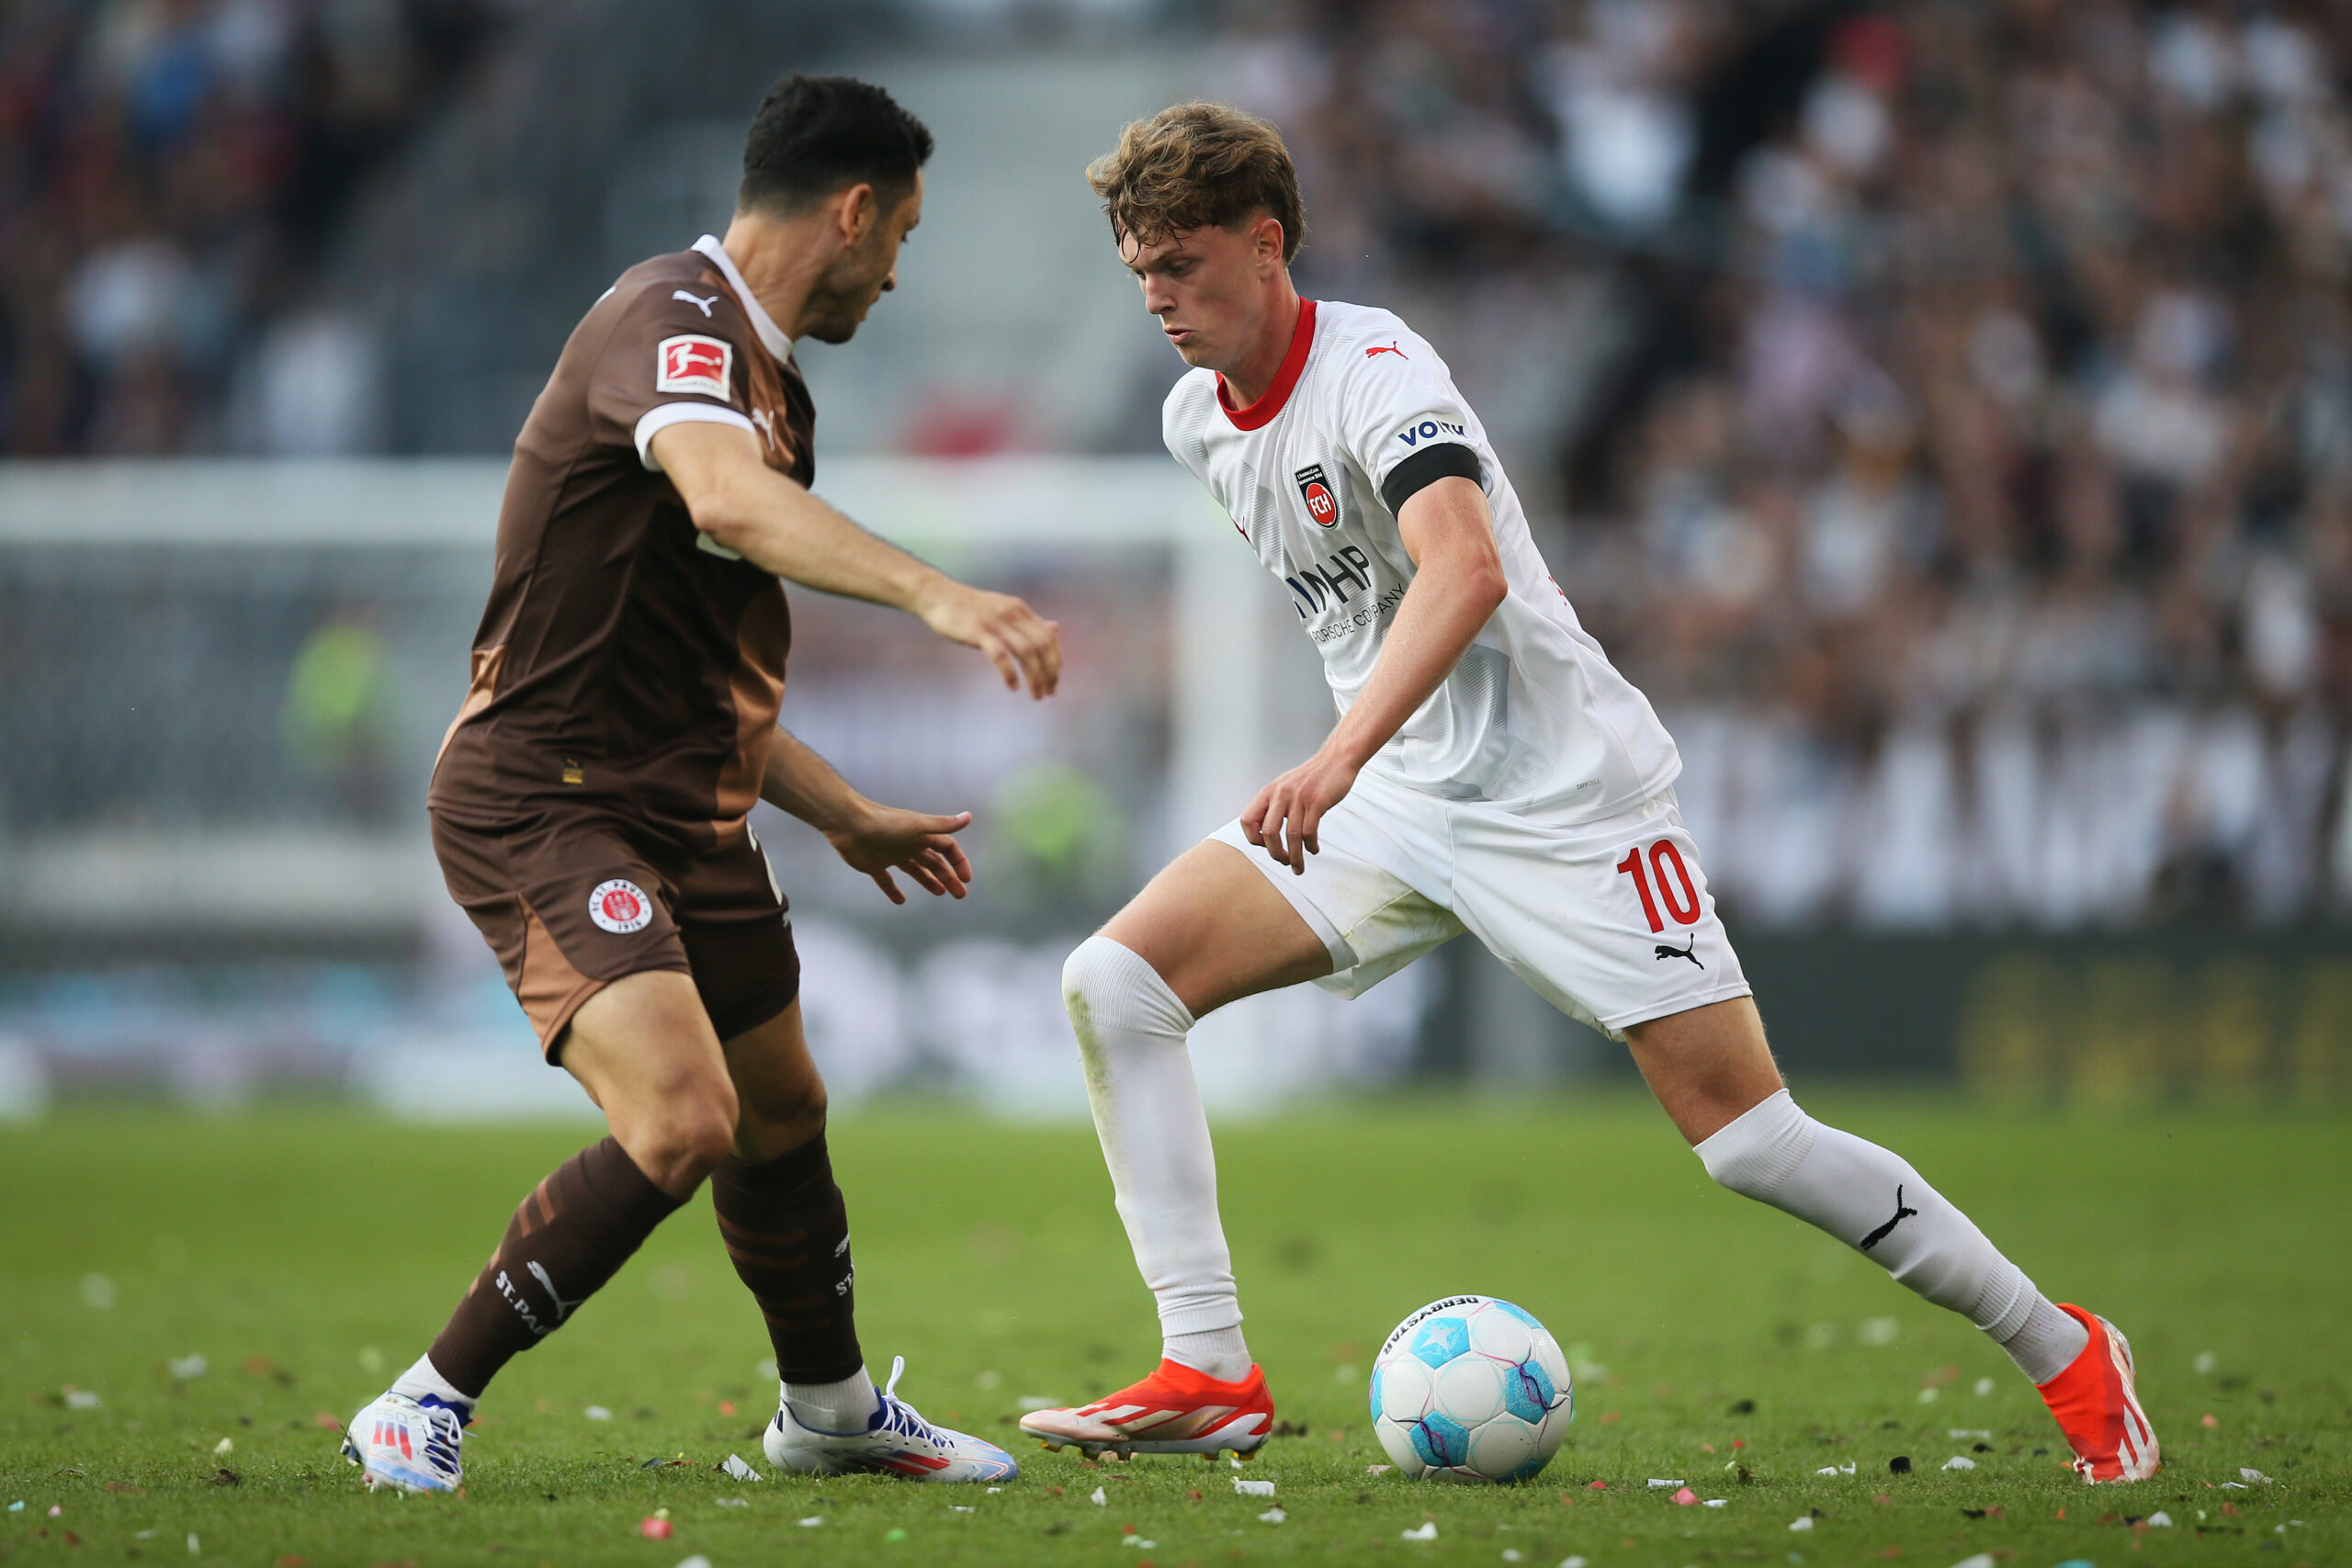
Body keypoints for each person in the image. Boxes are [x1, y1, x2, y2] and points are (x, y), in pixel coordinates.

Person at [1019, 102, 2157, 1485]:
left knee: (1751, 1143)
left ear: (1267, 245)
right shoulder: (1195, 421)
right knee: (1116, 983)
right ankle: (1209, 1369)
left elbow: (1465, 568)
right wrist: (1359, 761)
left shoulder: (1377, 368)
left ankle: (2065, 1348)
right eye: (1139, 270)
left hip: (1567, 803)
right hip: (1400, 799)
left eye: (1179, 264)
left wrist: (1335, 756)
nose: (1155, 297)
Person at [344, 74, 1057, 1493]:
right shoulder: (670, 320)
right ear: (851, 211)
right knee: (683, 1120)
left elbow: (687, 679)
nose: (898, 271)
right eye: (902, 235)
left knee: (784, 1105)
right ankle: (422, 1399)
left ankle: (831, 1414)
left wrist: (845, 812)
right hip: (544, 798)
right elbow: (726, 498)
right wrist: (940, 594)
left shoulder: (769, 386)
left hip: (678, 804)